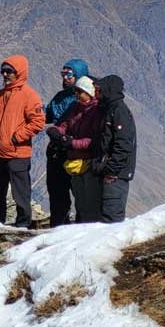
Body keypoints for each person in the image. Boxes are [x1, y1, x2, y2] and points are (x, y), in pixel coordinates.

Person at [0, 55, 46, 228]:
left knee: (20, 193)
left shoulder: (29, 95)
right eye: (3, 71)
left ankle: (23, 225)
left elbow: (38, 122)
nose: (5, 74)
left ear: (19, 72)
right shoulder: (0, 95)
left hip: (17, 154)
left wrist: (16, 137)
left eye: (9, 71)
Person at [46, 76, 103, 223]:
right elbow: (64, 125)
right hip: (75, 162)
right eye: (76, 91)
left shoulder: (97, 111)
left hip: (89, 163)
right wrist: (56, 132)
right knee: (80, 203)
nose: (76, 94)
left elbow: (94, 140)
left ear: (89, 92)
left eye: (79, 91)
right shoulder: (75, 108)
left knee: (90, 203)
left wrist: (72, 143)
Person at [44, 59, 90, 227]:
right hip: (56, 151)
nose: (65, 77)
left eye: (69, 74)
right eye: (63, 74)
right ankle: (57, 226)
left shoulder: (85, 101)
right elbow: (48, 114)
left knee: (79, 193)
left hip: (74, 151)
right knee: (57, 193)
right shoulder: (60, 97)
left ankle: (81, 228)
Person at [92, 75, 136, 223]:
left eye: (98, 90)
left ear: (107, 91)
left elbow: (123, 145)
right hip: (109, 173)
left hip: (115, 176)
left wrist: (111, 170)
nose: (95, 94)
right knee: (102, 216)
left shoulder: (119, 111)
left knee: (111, 218)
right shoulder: (109, 110)